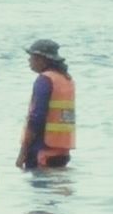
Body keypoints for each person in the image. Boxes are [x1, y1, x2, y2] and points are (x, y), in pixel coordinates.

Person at [17, 38, 75, 170]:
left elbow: (36, 118)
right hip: (62, 152)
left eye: (31, 57)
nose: (29, 60)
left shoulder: (44, 80)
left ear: (41, 60)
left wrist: (22, 154)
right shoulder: (66, 79)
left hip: (40, 151)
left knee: (39, 189)